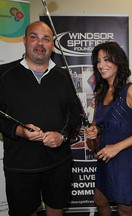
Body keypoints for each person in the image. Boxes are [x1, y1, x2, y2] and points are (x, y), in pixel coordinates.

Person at [0, 21, 82, 216]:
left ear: (52, 45)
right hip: (20, 165)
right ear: (24, 40)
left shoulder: (63, 76)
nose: (40, 43)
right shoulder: (4, 74)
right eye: (34, 37)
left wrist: (61, 136)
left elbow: (74, 111)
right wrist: (19, 131)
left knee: (56, 207)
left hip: (57, 162)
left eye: (46, 39)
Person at [85, 41, 132, 216]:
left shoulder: (131, 91)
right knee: (99, 200)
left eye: (106, 59)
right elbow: (97, 128)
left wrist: (116, 148)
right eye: (98, 61)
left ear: (118, 61)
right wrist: (93, 132)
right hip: (105, 158)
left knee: (124, 209)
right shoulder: (101, 93)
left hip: (124, 160)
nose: (101, 65)